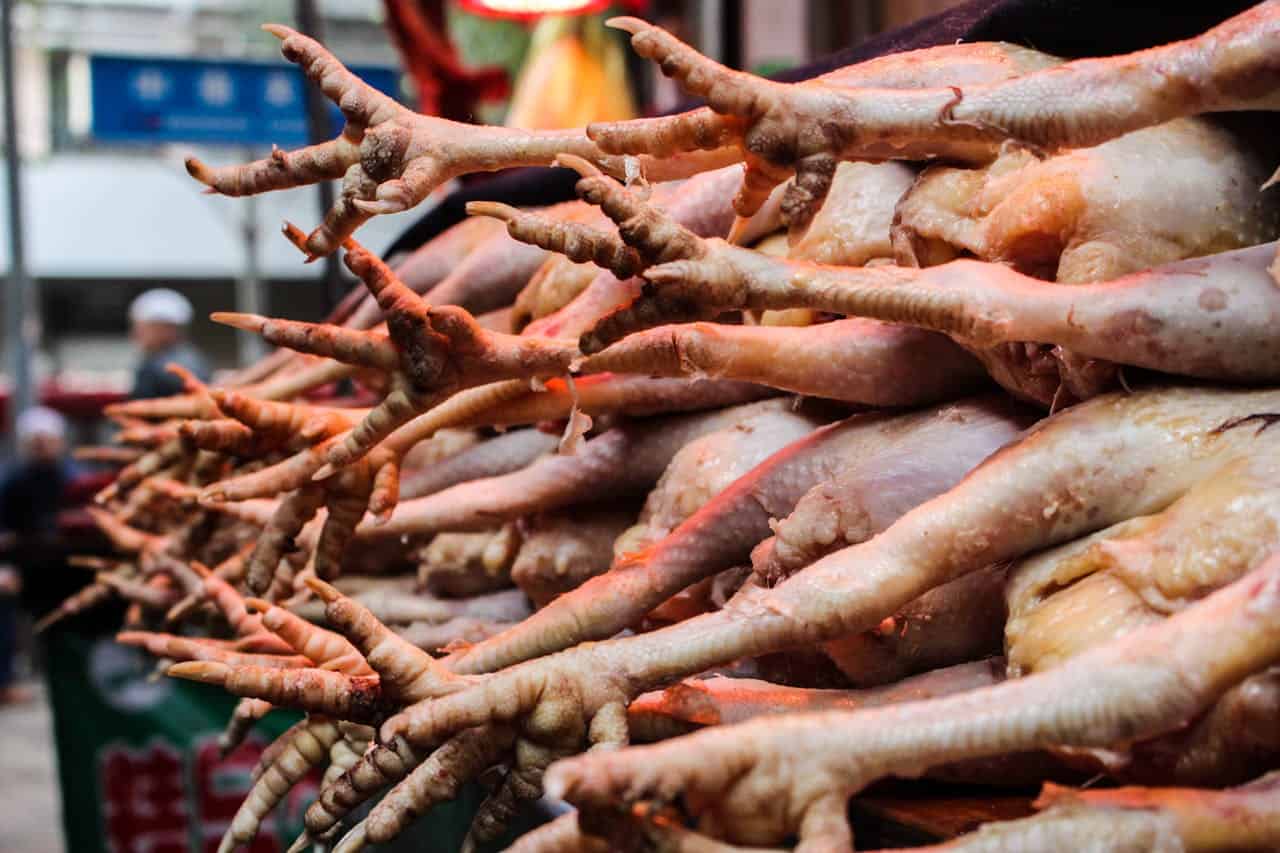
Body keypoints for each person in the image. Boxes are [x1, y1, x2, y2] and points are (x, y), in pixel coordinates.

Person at [0, 407, 78, 704]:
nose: (42, 447)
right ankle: (4, 681)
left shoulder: (75, 480)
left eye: (47, 440)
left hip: (69, 567)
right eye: (36, 442)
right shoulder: (11, 483)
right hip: (24, 570)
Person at [128, 288, 211, 399]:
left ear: (166, 329)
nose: (135, 334)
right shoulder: (191, 358)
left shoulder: (163, 368)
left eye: (142, 328)